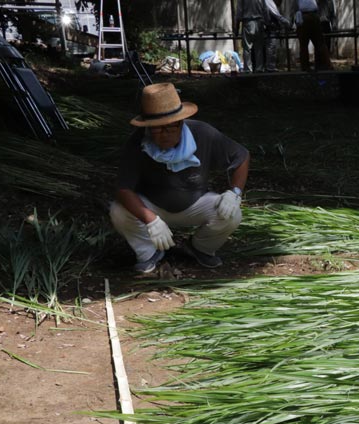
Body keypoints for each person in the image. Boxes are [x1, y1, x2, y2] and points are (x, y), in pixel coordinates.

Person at [110, 83, 250, 273]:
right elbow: (123, 189)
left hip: (195, 202)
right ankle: (149, 252)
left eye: (170, 127)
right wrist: (151, 220)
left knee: (232, 214)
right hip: (153, 206)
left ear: (181, 122)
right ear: (148, 128)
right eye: (157, 129)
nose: (164, 135)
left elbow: (241, 156)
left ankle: (200, 248)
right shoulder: (137, 142)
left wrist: (235, 193)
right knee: (118, 211)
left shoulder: (203, 133)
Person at [294, 0, 332, 71]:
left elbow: (294, 7)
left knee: (306, 44)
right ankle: (325, 64)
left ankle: (307, 66)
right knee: (318, 43)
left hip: (306, 15)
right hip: (310, 15)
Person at [235, 0, 268, 72]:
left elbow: (239, 12)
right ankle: (259, 68)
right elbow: (265, 9)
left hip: (248, 22)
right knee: (259, 47)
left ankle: (247, 69)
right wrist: (267, 23)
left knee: (247, 48)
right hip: (259, 22)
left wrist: (236, 28)